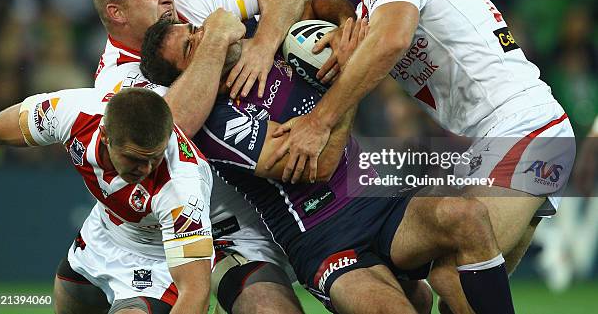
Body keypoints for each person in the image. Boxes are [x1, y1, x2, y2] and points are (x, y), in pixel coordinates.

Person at [272, 0, 577, 313]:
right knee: (455, 287)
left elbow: (392, 39)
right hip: (520, 133)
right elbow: (343, 14)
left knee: (449, 274)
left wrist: (319, 121)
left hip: (523, 131)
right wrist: (338, 19)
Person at [140, 18, 519, 314]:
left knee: (468, 217)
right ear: (188, 76)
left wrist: (340, 28)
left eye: (194, 29)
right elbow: (319, 164)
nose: (207, 35)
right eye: (193, 45)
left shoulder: (265, 43)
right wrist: (350, 79)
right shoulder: (215, 125)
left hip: (376, 200)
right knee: (407, 307)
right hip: (324, 239)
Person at [90, 0, 308, 314]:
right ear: (118, 13)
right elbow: (170, 127)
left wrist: (264, 45)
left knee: (412, 293)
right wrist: (217, 36)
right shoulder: (117, 80)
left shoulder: (189, 2)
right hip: (223, 230)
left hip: (287, 196)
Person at [0, 88, 213, 314]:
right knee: (68, 296)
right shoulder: (74, 113)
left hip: (158, 259)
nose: (145, 169)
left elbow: (195, 292)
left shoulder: (183, 188)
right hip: (100, 236)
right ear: (104, 135)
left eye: (154, 158)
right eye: (133, 158)